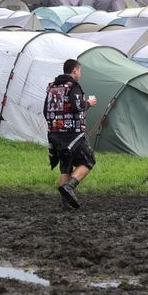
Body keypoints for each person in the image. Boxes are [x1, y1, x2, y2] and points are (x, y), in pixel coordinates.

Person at [44, 58, 97, 210]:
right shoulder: (73, 86)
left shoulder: (53, 87)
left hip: (55, 133)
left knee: (65, 166)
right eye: (79, 70)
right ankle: (70, 187)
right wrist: (89, 104)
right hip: (72, 134)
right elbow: (76, 106)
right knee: (89, 161)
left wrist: (55, 124)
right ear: (75, 71)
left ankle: (65, 204)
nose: (80, 73)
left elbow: (45, 110)